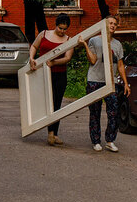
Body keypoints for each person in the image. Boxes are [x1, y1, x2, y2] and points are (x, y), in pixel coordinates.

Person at [82, 16, 129, 153]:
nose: (113, 25)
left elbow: (120, 65)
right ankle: (96, 141)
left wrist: (125, 83)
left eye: (115, 24)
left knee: (113, 112)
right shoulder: (95, 40)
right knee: (95, 112)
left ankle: (110, 140)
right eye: (110, 23)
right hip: (95, 81)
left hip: (111, 83)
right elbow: (92, 60)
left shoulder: (117, 45)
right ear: (104, 24)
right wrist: (85, 45)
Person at [28, 13, 75, 146]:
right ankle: (43, 129)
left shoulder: (68, 39)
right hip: (42, 73)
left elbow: (67, 58)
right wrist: (32, 58)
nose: (62, 31)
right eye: (60, 28)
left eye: (65, 29)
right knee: (44, 102)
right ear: (56, 25)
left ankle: (53, 133)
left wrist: (54, 63)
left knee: (56, 103)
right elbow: (34, 47)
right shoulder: (43, 34)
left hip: (59, 74)